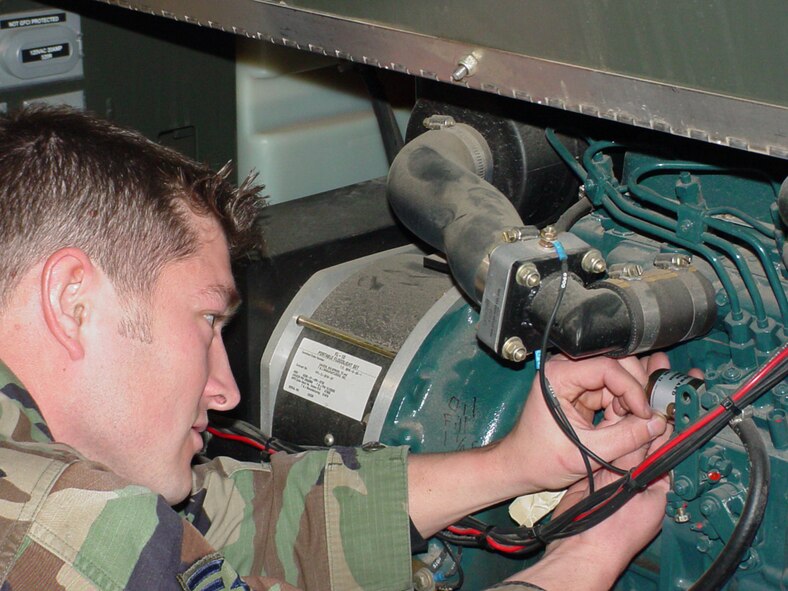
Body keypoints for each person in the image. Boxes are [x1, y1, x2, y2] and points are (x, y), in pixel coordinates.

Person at [0, 105, 672, 590]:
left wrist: (517, 464)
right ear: (72, 300)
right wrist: (581, 564)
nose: (227, 391)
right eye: (207, 321)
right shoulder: (61, 535)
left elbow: (242, 517)